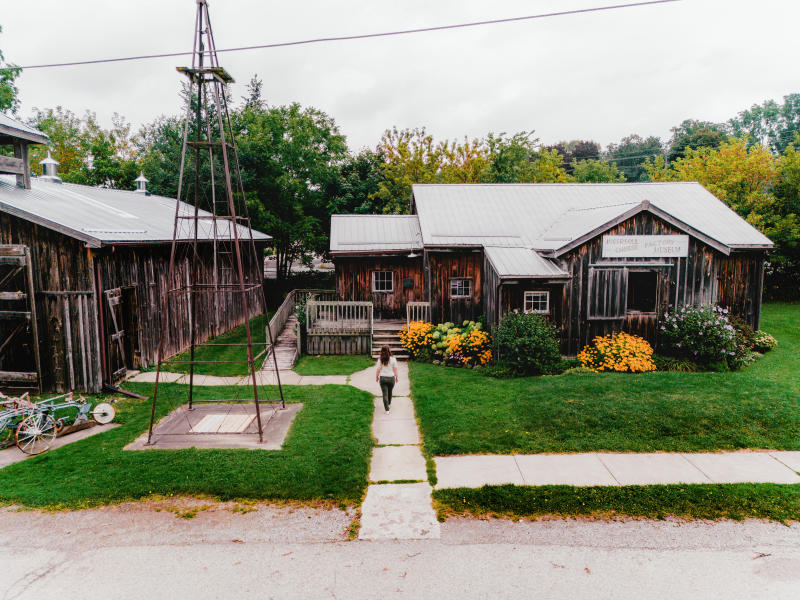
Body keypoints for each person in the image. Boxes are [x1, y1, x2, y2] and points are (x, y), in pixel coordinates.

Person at [375, 344, 399, 415]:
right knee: (390, 391)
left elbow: (378, 370)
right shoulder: (393, 359)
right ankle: (389, 404)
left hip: (383, 378)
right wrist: (397, 377)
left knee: (385, 394)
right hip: (391, 378)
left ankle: (387, 410)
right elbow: (395, 370)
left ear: (381, 351)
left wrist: (376, 377)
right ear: (389, 351)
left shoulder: (380, 360)